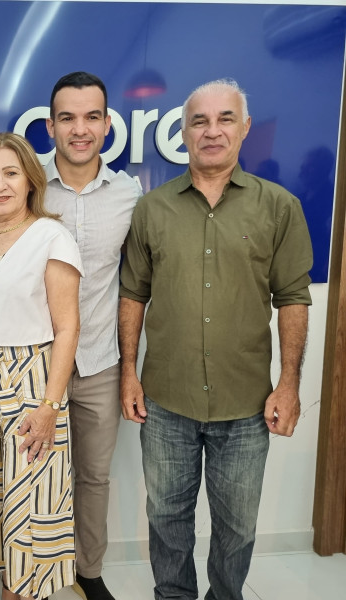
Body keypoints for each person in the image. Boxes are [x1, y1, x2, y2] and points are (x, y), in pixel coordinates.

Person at [118, 79, 313, 600]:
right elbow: (132, 295)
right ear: (182, 132)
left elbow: (293, 298)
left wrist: (289, 384)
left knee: (238, 528)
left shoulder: (279, 207)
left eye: (225, 119)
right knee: (166, 520)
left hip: (247, 404)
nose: (212, 131)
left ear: (244, 128)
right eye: (199, 121)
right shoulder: (152, 209)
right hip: (166, 401)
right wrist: (129, 374)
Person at [0, 132, 82, 600]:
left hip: (29, 383)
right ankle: (0, 589)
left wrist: (50, 404)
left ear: (31, 179)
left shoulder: (51, 235)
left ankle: (24, 594)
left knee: (30, 502)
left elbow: (67, 328)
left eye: (10, 173)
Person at [43, 71, 141, 600]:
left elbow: (137, 282)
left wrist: (130, 368)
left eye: (91, 117)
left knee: (94, 478)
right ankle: (34, 568)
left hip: (100, 361)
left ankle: (89, 571)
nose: (80, 129)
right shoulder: (24, 180)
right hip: (34, 364)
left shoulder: (129, 193)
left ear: (106, 123)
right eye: (68, 117)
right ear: (51, 123)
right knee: (31, 474)